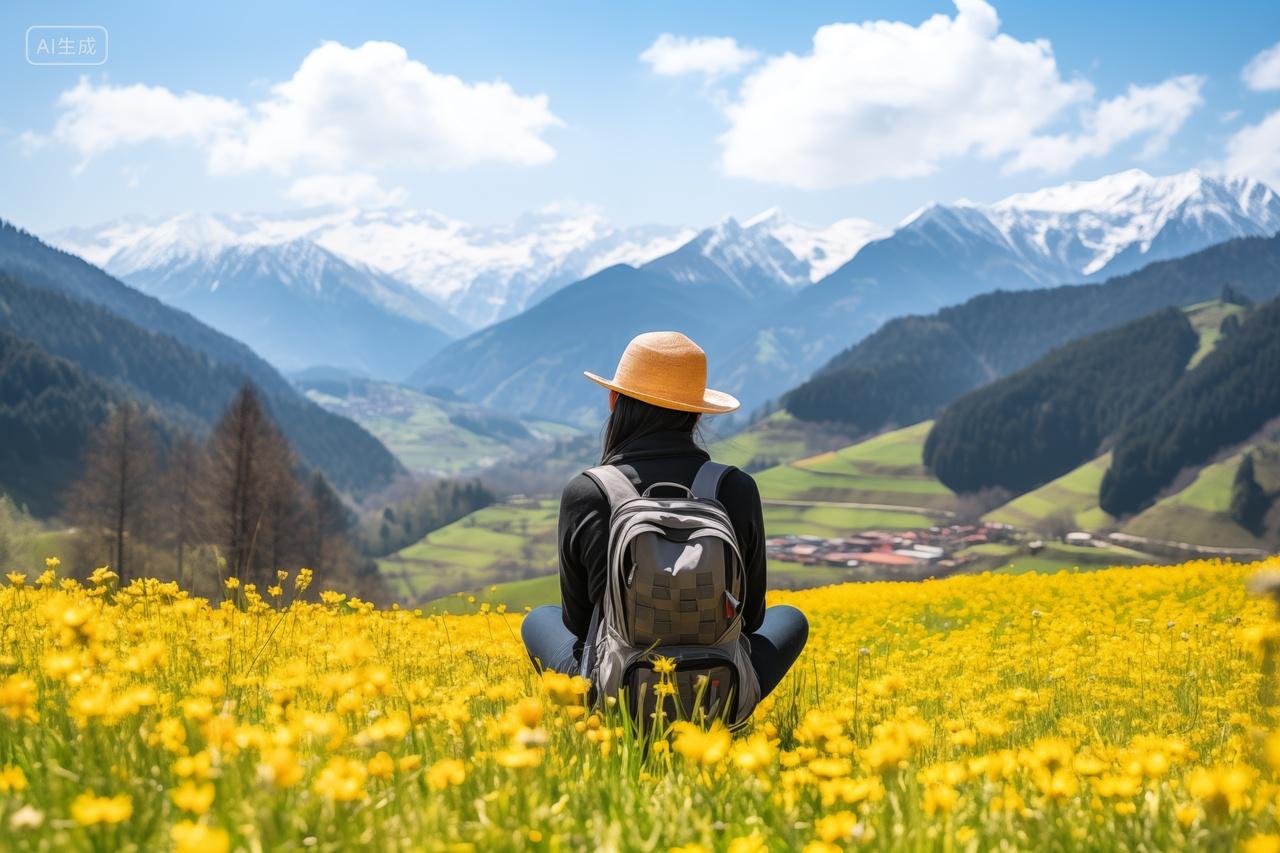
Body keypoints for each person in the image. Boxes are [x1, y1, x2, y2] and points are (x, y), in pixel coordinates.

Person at [522, 330, 808, 701]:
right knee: (792, 618)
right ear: (697, 413)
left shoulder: (589, 491)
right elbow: (751, 620)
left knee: (537, 619)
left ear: (613, 401)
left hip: (617, 693)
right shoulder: (735, 488)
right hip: (720, 690)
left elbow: (578, 624)